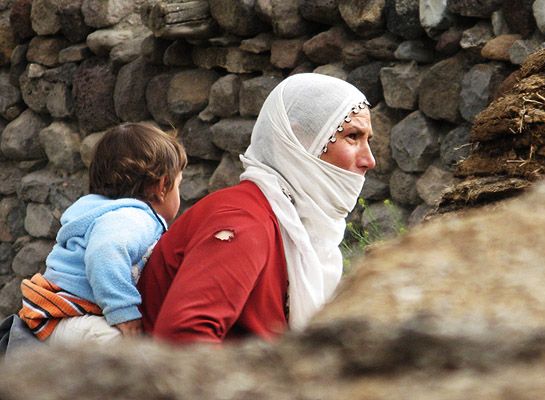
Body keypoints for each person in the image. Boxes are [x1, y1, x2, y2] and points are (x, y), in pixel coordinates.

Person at [138, 73, 376, 344]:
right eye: (353, 136)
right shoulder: (244, 222)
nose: (370, 160)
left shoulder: (290, 223)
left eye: (368, 140)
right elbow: (183, 338)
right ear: (299, 140)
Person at [18, 123, 187, 343]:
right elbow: (105, 252)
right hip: (71, 316)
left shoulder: (105, 213)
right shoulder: (132, 218)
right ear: (162, 186)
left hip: (61, 316)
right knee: (132, 354)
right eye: (178, 185)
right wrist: (124, 312)